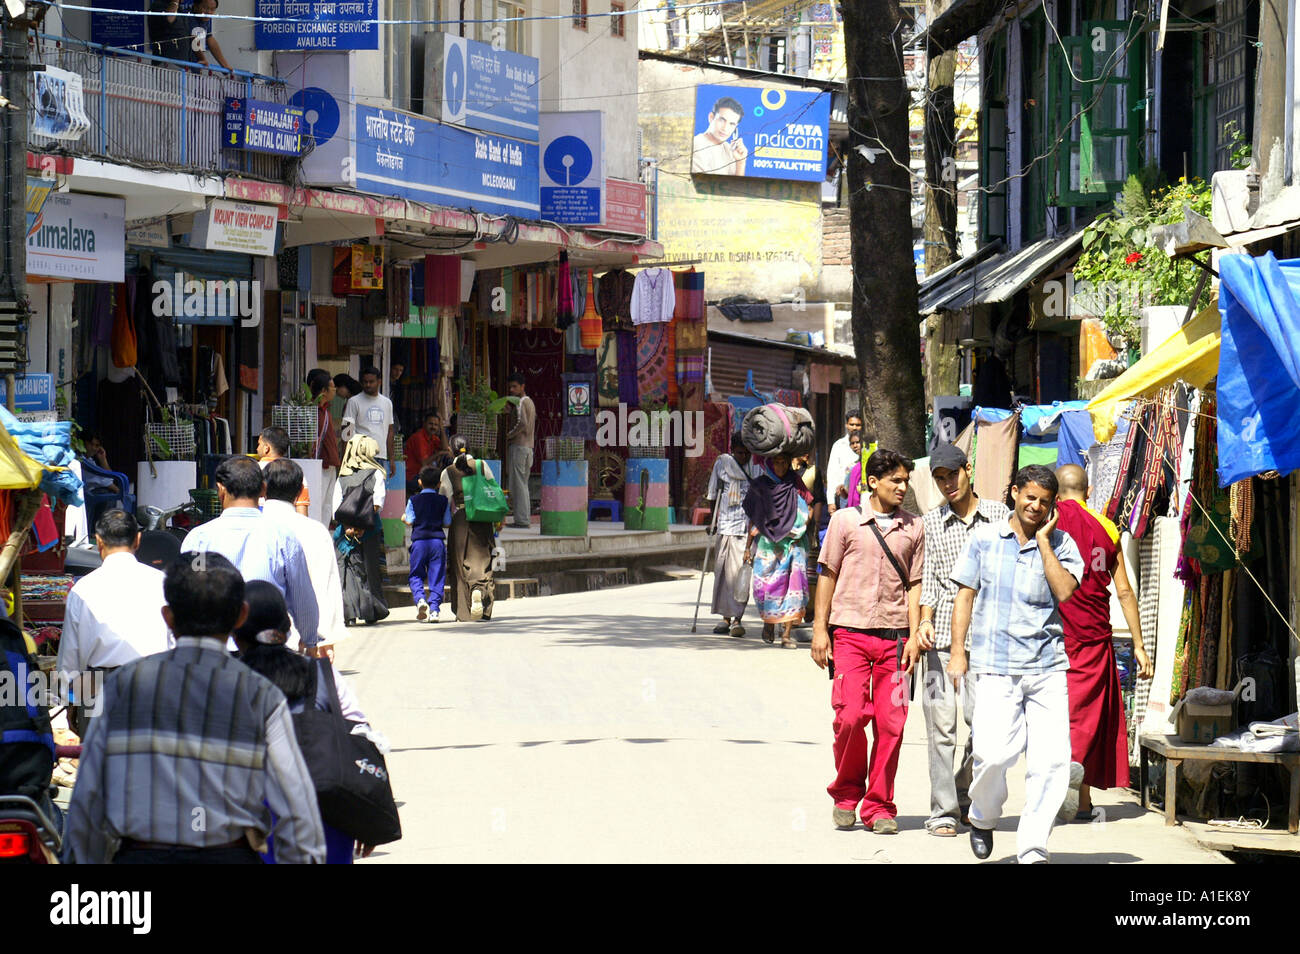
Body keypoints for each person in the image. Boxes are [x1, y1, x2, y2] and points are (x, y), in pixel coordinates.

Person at [63, 553, 326, 864]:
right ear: (241, 616)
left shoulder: (121, 686)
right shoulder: (260, 695)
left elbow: (88, 800)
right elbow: (296, 810)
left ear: (168, 617)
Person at [948, 464, 1084, 864]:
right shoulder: (984, 539)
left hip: (1047, 667)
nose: (1036, 506)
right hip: (995, 665)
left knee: (1053, 761)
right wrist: (958, 651)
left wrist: (1044, 542)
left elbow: (1065, 592)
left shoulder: (1064, 545)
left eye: (1044, 502)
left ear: (1053, 506)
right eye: (1030, 497)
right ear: (1014, 493)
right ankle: (982, 816)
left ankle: (1033, 846)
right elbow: (965, 596)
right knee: (991, 755)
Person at [811, 448, 924, 834]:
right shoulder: (845, 522)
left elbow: (915, 585)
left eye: (905, 480)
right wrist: (819, 629)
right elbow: (827, 575)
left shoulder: (914, 528)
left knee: (892, 725)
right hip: (850, 637)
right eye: (895, 480)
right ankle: (846, 793)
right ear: (873, 482)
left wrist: (912, 637)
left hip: (895, 642)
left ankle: (879, 806)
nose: (902, 486)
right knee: (850, 717)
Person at [232, 581, 379, 864]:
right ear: (287, 628)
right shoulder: (323, 675)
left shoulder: (226, 681)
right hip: (327, 814)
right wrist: (367, 814)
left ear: (235, 633)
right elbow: (360, 736)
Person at [907, 443, 1009, 838]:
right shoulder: (931, 523)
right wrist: (924, 622)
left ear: (968, 470)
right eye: (940, 478)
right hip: (943, 640)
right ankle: (944, 810)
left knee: (986, 729)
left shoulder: (1000, 517)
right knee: (941, 728)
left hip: (990, 641)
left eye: (953, 474)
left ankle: (966, 791)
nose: (948, 483)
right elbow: (929, 579)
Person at [1054, 463, 1153, 821]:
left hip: (1054, 633)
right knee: (1088, 717)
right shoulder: (1107, 528)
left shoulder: (1048, 521)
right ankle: (1080, 798)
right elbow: (1124, 591)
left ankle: (1074, 797)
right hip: (1094, 635)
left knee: (1063, 715)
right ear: (1090, 490)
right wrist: (1139, 645)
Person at [181, 455, 320, 648]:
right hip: (267, 651)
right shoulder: (283, 537)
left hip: (215, 650)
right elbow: (302, 598)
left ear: (220, 490)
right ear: (264, 489)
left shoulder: (199, 538)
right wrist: (309, 640)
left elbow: (191, 593)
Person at [57, 509, 171, 737]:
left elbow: (70, 660)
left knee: (102, 768)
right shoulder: (162, 583)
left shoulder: (83, 590)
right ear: (138, 540)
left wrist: (68, 701)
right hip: (155, 687)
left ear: (98, 542)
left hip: (99, 691)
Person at [263, 460, 347, 651]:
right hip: (308, 643)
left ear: (263, 488)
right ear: (301, 491)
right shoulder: (316, 531)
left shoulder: (254, 529)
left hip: (258, 643)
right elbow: (329, 585)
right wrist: (327, 640)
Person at [742, 452, 810, 648]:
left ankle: (787, 635)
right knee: (766, 587)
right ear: (769, 464)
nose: (780, 467)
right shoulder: (759, 486)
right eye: (776, 462)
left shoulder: (795, 483)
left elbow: (808, 505)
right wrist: (747, 547)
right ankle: (769, 622)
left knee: (793, 588)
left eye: (784, 462)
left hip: (793, 542)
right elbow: (753, 517)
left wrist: (803, 523)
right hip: (767, 545)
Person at [332, 436, 390, 626]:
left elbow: (335, 509)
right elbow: (377, 504)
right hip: (370, 531)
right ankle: (370, 611)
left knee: (346, 570)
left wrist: (349, 527)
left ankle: (347, 613)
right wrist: (362, 527)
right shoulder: (376, 474)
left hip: (345, 531)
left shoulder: (342, 478)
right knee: (369, 569)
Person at [443, 436, 496, 622]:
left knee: (460, 564)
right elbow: (492, 488)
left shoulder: (448, 472)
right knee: (485, 558)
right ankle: (480, 594)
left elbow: (444, 498)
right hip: (483, 517)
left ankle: (464, 610)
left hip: (461, 519)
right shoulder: (482, 465)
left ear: (451, 450)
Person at [704, 434, 750, 637]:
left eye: (747, 453)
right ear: (733, 450)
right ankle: (725, 617)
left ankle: (737, 619)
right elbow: (713, 493)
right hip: (724, 525)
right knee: (722, 574)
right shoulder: (722, 463)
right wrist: (711, 522)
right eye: (740, 453)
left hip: (744, 529)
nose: (744, 457)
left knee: (740, 576)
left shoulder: (755, 467)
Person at [404, 465, 452, 623]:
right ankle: (434, 611)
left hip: (419, 542)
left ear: (419, 482)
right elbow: (447, 522)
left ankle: (420, 600)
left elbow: (410, 521)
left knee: (416, 574)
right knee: (437, 576)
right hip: (437, 542)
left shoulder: (413, 500)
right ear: (439, 484)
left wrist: (404, 518)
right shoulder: (443, 500)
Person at [343, 367, 395, 477]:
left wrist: (391, 459)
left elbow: (390, 431)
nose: (368, 385)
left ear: (379, 382)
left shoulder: (387, 403)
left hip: (381, 456)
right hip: (360, 457)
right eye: (365, 382)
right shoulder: (353, 402)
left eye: (371, 382)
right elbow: (347, 431)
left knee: (378, 493)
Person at [308, 368, 342, 526]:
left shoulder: (326, 411)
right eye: (333, 388)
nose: (335, 391)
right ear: (324, 390)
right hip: (320, 465)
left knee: (328, 504)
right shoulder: (314, 412)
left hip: (330, 464)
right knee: (318, 502)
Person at [505, 373, 535, 529]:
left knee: (519, 485)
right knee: (523, 484)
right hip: (529, 448)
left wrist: (509, 435)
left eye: (515, 386)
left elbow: (522, 423)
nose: (512, 390)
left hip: (519, 446)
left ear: (523, 387)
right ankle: (523, 518)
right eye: (510, 387)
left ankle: (522, 520)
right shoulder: (530, 402)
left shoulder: (521, 402)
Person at [258, 425, 310, 515]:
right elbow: (302, 511)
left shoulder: (254, 470)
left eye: (259, 444)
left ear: (267, 448)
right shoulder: (296, 472)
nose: (257, 448)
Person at [691, 95, 748, 175]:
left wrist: (740, 162)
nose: (725, 128)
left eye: (731, 124)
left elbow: (738, 185)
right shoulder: (696, 146)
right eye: (722, 120)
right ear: (711, 117)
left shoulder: (729, 149)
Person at [826, 412, 865, 514]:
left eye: (858, 425)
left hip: (863, 498)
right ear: (846, 425)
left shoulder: (867, 446)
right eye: (852, 424)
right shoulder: (839, 445)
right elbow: (832, 473)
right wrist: (830, 501)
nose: (854, 427)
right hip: (843, 498)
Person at [403, 412, 445, 493]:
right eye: (430, 424)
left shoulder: (432, 437)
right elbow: (424, 462)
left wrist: (442, 429)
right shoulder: (419, 437)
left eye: (436, 425)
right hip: (412, 476)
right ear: (424, 424)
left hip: (422, 473)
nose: (433, 427)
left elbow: (445, 448)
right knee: (439, 485)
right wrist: (439, 454)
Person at [187, 0, 233, 71]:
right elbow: (194, 41)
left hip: (195, 64)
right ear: (196, 6)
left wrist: (225, 65)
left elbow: (210, 39)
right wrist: (203, 59)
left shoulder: (205, 19)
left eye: (212, 9)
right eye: (205, 8)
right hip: (182, 64)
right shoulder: (189, 17)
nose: (208, 12)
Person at [842, 432, 866, 508]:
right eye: (852, 443)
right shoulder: (852, 467)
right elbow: (847, 493)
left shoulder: (870, 464)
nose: (855, 446)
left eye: (858, 442)